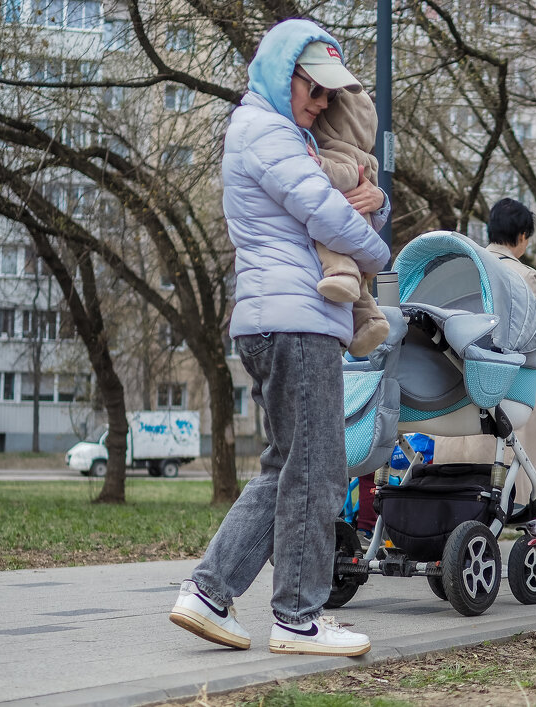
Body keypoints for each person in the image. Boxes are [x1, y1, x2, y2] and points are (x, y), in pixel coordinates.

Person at [168, 19, 390, 658]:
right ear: (277, 71)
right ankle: (297, 618)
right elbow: (322, 211)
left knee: (286, 467)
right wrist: (375, 246)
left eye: (328, 96)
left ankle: (208, 593)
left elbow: (327, 205)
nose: (320, 103)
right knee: (321, 471)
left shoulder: (279, 132)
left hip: (281, 321)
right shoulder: (264, 129)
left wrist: (360, 207)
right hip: (295, 321)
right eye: (311, 88)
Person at [431, 198, 536, 508]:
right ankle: (514, 505)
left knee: (462, 452)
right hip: (505, 386)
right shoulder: (521, 275)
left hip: (457, 381)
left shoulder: (466, 268)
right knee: (510, 457)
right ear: (522, 236)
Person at [309, 87, 389, 357]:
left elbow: (345, 174)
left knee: (332, 240)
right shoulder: (367, 158)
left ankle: (344, 276)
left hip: (344, 235)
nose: (319, 105)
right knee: (360, 292)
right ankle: (370, 321)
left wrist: (318, 164)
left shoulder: (334, 152)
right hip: (358, 237)